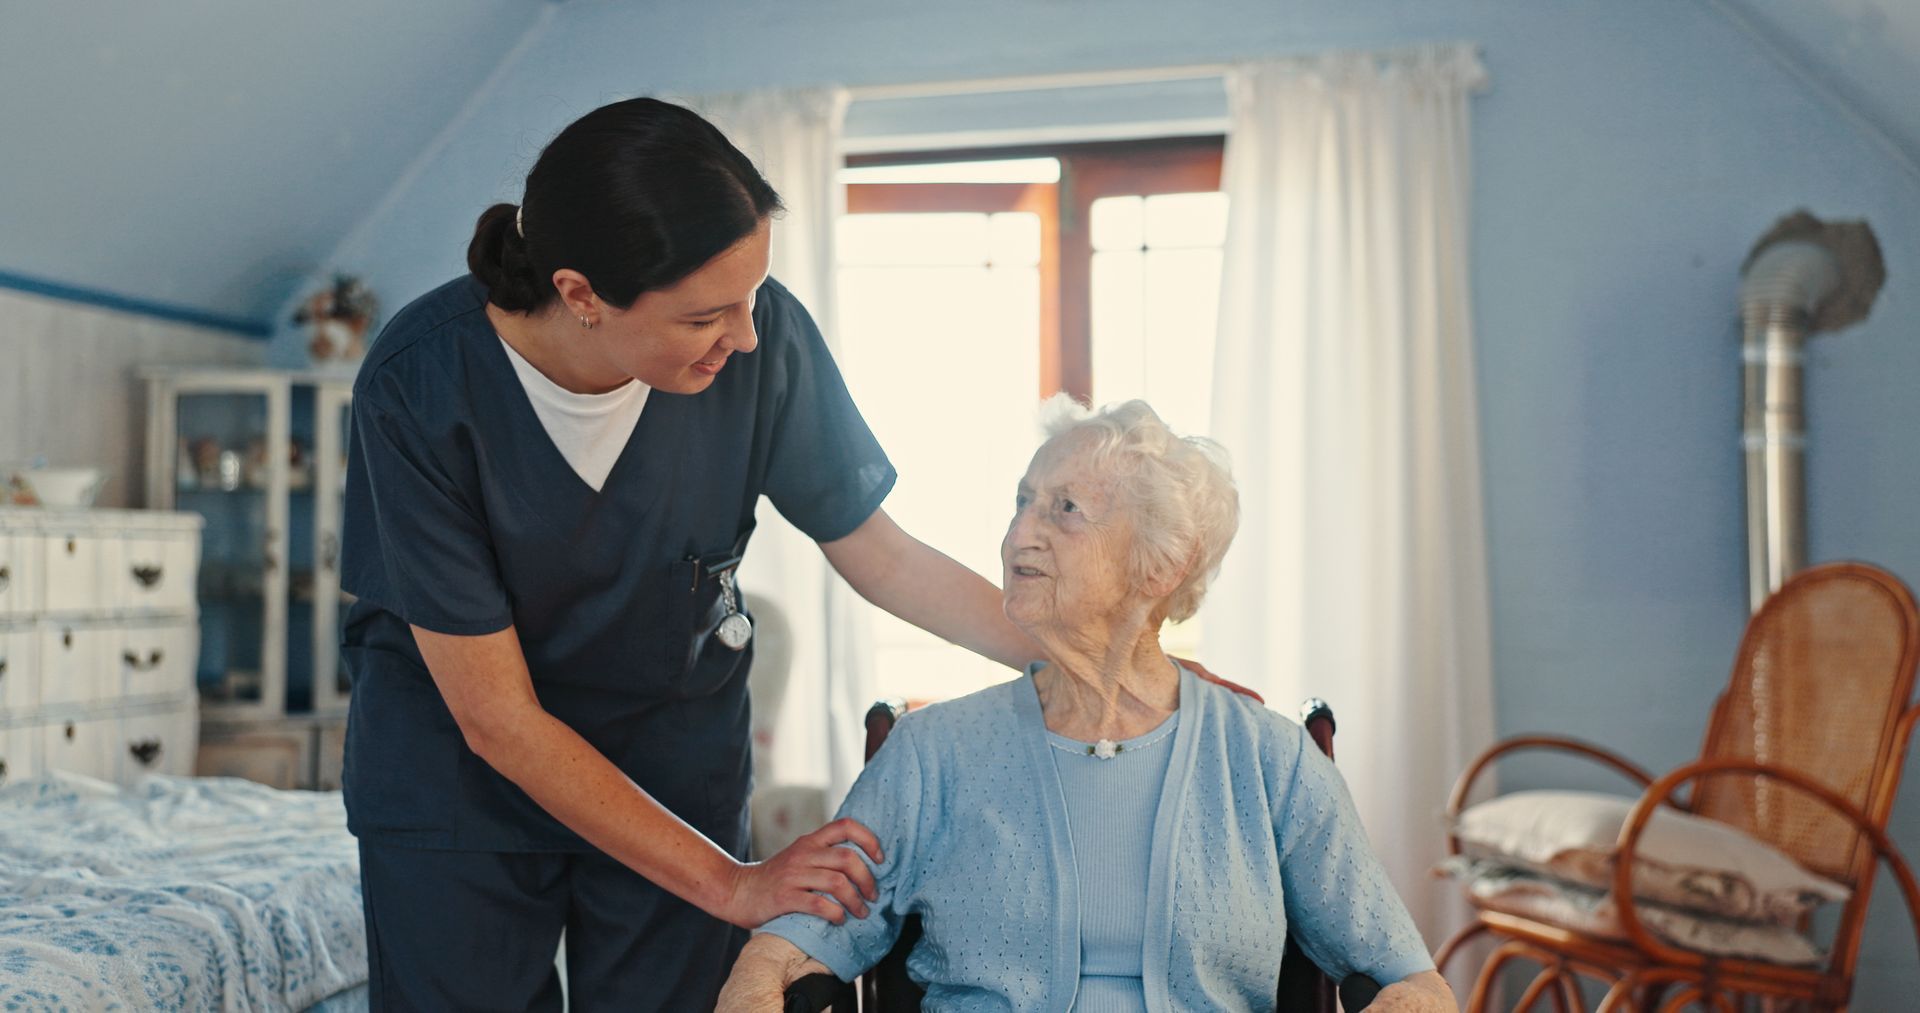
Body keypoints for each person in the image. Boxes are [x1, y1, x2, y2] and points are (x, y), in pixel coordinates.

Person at [336, 97, 1045, 1010]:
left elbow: (882, 553)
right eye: (709, 315)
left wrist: (1090, 658)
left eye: (752, 297)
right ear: (581, 294)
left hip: (670, 762)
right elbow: (498, 720)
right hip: (458, 786)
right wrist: (734, 883)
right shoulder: (419, 387)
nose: (746, 335)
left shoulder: (764, 339)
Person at [718, 397, 1456, 1012]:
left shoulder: (1270, 761)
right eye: (1021, 503)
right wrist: (757, 972)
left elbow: (1411, 978)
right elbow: (786, 950)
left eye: (1064, 509)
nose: (1018, 533)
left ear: (1162, 563)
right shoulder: (932, 752)